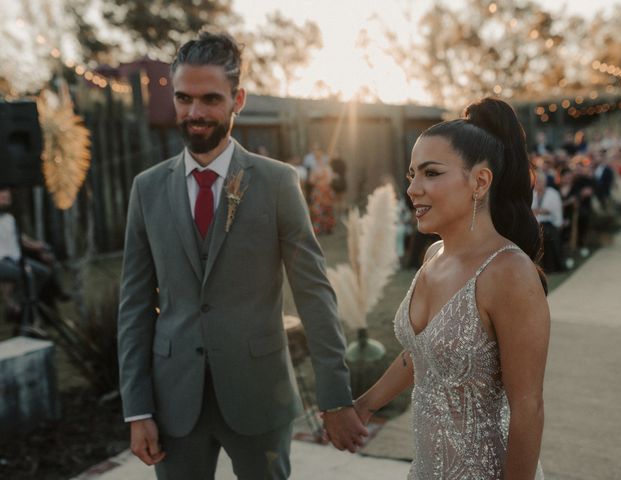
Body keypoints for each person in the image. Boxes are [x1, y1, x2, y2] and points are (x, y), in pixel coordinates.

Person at [117, 31, 367, 480]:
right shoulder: (146, 189)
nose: (194, 113)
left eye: (210, 99)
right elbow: (134, 306)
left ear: (239, 99)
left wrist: (335, 396)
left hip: (260, 394)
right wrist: (136, 408)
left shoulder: (277, 183)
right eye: (183, 98)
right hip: (174, 400)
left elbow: (314, 293)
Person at [352, 98, 549, 479]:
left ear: (480, 181)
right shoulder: (434, 256)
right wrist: (364, 405)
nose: (413, 189)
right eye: (411, 174)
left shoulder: (509, 272)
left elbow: (528, 408)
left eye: (431, 173)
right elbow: (423, 353)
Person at [0, 187, 69, 326]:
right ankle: (13, 306)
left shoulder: (9, 218)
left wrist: (39, 246)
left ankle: (25, 304)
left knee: (42, 272)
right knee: (20, 275)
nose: (6, 198)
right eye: (3, 196)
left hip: (17, 260)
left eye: (7, 196)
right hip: (3, 261)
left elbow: (21, 239)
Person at [533, 170, 566, 272]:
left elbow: (552, 210)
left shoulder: (552, 193)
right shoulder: (532, 194)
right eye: (536, 181)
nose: (538, 183)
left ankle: (551, 266)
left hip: (550, 223)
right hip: (535, 224)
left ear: (545, 182)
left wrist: (540, 211)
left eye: (540, 181)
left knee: (546, 234)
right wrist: (540, 211)